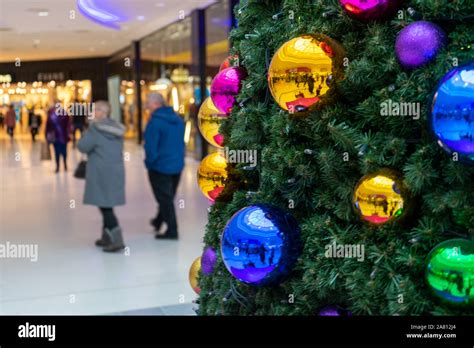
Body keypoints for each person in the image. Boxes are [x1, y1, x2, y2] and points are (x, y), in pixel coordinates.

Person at [77, 101, 126, 252]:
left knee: (105, 206)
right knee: (106, 203)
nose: (93, 112)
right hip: (115, 170)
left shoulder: (95, 129)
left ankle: (117, 240)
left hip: (100, 172)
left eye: (96, 109)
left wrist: (87, 130)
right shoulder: (116, 128)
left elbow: (82, 146)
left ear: (104, 113)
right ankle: (106, 237)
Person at [144, 93, 185, 240]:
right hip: (177, 165)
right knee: (168, 196)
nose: (146, 105)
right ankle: (158, 220)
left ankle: (172, 230)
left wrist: (150, 163)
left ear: (155, 104)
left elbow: (150, 147)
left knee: (165, 199)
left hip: (160, 167)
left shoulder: (154, 122)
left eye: (147, 102)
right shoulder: (178, 120)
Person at [45, 103, 71, 172]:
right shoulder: (64, 115)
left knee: (58, 152)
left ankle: (59, 166)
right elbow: (68, 125)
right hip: (61, 136)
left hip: (58, 136)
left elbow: (47, 127)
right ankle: (63, 165)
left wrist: (47, 135)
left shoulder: (51, 116)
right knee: (62, 151)